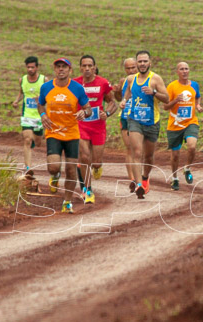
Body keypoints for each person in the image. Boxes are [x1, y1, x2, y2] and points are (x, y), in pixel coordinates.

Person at [37, 58, 91, 214]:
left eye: (64, 67)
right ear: (55, 70)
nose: (61, 70)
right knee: (53, 167)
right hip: (53, 132)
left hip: (71, 133)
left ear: (70, 71)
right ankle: (55, 175)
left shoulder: (77, 88)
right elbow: (40, 103)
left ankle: (67, 202)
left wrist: (84, 112)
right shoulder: (46, 87)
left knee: (72, 170)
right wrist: (42, 114)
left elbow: (88, 109)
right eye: (58, 67)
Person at [122, 50, 168, 199]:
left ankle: (145, 177)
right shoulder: (130, 79)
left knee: (148, 156)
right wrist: (124, 101)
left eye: (145, 61)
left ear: (150, 63)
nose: (142, 64)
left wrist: (153, 92)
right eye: (139, 61)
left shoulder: (155, 79)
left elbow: (166, 98)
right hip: (134, 120)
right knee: (136, 152)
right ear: (136, 63)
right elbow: (128, 92)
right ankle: (138, 184)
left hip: (151, 122)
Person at [76, 55, 117, 204]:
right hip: (81, 125)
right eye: (84, 66)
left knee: (96, 162)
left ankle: (97, 167)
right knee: (85, 157)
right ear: (80, 67)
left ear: (94, 67)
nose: (87, 68)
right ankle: (88, 190)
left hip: (98, 126)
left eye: (90, 66)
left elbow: (113, 102)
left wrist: (106, 113)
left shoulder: (103, 83)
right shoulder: (75, 84)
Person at [164, 61, 203, 190]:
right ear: (177, 72)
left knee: (192, 146)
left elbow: (197, 96)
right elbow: (165, 106)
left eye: (186, 69)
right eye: (182, 69)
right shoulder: (172, 87)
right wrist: (176, 100)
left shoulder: (194, 85)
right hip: (175, 124)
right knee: (175, 155)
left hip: (190, 122)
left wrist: (197, 105)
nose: (185, 71)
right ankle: (175, 179)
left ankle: (187, 168)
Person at [11, 56, 45, 173]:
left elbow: (49, 95)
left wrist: (41, 100)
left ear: (37, 67)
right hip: (26, 115)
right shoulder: (22, 80)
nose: (30, 69)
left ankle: (37, 139)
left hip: (39, 116)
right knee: (27, 140)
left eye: (32, 67)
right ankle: (28, 168)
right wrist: (16, 101)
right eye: (28, 67)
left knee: (38, 142)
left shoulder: (43, 80)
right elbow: (21, 93)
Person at [114, 57, 138, 187]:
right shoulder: (123, 81)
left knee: (139, 149)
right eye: (128, 68)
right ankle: (132, 179)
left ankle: (141, 175)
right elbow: (119, 98)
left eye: (133, 67)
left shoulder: (145, 80)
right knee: (129, 148)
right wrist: (117, 91)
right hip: (125, 117)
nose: (131, 70)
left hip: (141, 117)